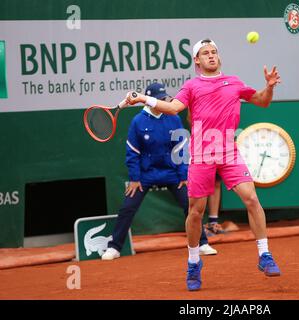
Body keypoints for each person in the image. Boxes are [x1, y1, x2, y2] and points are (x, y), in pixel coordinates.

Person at [125, 38, 282, 291]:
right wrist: (146, 99)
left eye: (214, 52)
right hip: (201, 154)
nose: (211, 56)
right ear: (197, 60)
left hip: (228, 151)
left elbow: (262, 101)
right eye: (205, 53)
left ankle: (264, 255)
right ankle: (193, 261)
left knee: (251, 198)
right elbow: (174, 108)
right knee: (195, 211)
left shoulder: (234, 82)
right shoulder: (192, 85)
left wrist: (270, 86)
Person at [101, 82, 217, 260]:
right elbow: (132, 152)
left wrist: (183, 174)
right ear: (149, 101)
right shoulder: (138, 122)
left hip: (171, 172)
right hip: (146, 175)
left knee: (191, 205)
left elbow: (180, 149)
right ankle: (115, 247)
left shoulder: (173, 118)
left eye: (164, 99)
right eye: (160, 99)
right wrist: (135, 178)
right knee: (127, 207)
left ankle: (201, 243)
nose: (164, 101)